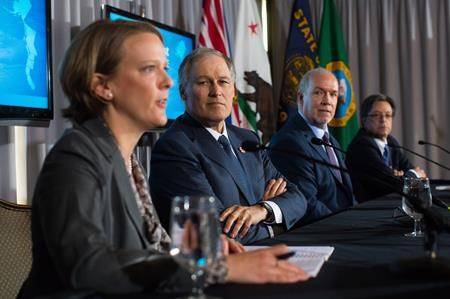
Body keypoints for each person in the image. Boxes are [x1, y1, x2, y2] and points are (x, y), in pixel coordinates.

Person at [18, 20, 308, 298]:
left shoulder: (125, 160)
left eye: (165, 69)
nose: (168, 82)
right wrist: (212, 267)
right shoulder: (76, 156)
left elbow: (138, 252)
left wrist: (203, 252)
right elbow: (87, 267)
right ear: (103, 86)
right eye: (149, 69)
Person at [150, 48, 307, 244]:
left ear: (233, 91)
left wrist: (261, 210)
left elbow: (298, 198)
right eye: (203, 82)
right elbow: (216, 232)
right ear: (183, 92)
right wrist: (276, 224)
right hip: (219, 267)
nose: (216, 91)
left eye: (223, 82)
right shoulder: (174, 147)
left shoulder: (247, 138)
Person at [269, 68, 356, 225]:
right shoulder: (289, 142)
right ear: (301, 98)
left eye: (333, 94)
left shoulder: (330, 141)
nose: (327, 101)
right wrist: (346, 224)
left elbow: (344, 194)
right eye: (319, 92)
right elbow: (306, 203)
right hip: (320, 232)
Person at [346, 93, 426, 202]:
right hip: (369, 209)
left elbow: (416, 177)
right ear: (364, 120)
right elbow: (394, 184)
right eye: (376, 115)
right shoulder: (361, 146)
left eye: (388, 115)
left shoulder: (391, 142)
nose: (383, 120)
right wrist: (411, 175)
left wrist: (404, 176)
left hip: (391, 204)